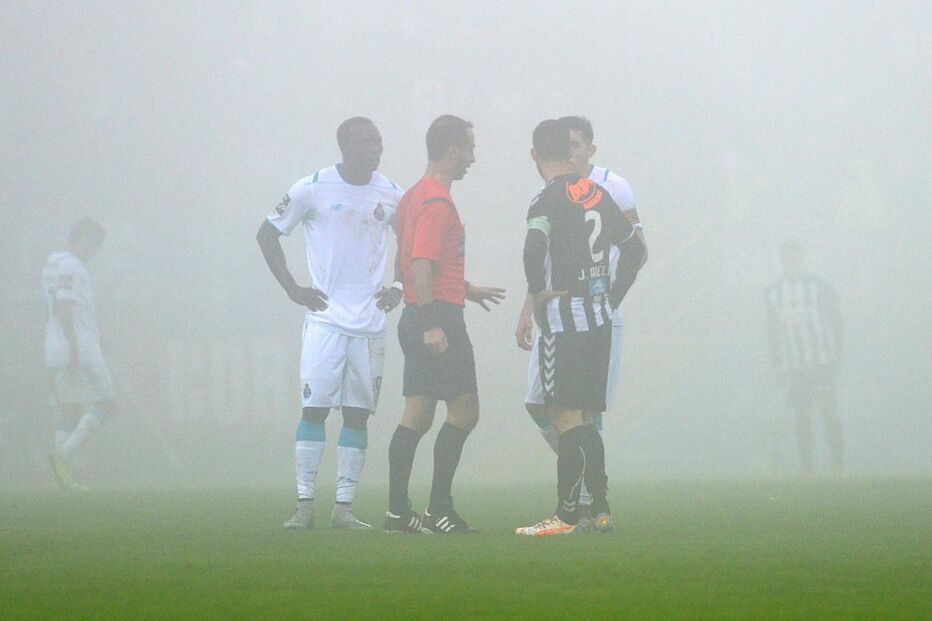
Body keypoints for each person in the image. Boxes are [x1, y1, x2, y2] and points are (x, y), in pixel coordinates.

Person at [257, 117, 404, 529]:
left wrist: (399, 284)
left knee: (357, 415)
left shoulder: (392, 193)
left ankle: (344, 508)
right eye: (366, 142)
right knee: (315, 409)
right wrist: (293, 289)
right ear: (344, 146)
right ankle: (304, 505)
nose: (376, 149)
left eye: (379, 141)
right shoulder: (311, 187)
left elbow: (412, 241)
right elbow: (266, 235)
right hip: (325, 320)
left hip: (371, 323)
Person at [514, 116, 647, 529]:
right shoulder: (595, 192)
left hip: (565, 321)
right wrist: (608, 298)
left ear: (537, 154)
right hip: (598, 318)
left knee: (564, 414)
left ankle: (567, 513)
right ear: (568, 151)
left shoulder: (545, 199)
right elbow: (633, 250)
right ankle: (601, 506)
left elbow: (533, 251)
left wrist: (537, 295)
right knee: (585, 415)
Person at [385, 115, 505, 534]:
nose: (472, 157)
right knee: (465, 410)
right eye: (469, 148)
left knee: (416, 415)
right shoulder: (437, 201)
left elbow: (419, 261)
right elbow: (420, 263)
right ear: (452, 149)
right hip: (436, 318)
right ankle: (439, 509)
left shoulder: (413, 196)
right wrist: (434, 322)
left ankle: (398, 512)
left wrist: (464, 287)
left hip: (417, 314)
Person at [43, 218, 113, 491]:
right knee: (107, 402)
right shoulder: (73, 264)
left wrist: (96, 335)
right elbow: (64, 305)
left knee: (70, 410)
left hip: (56, 346)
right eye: (93, 246)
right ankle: (63, 456)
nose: (93, 252)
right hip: (78, 349)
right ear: (82, 240)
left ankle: (63, 479)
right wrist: (75, 346)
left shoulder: (52, 261)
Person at [765, 241, 844, 476]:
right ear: (782, 261)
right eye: (786, 257)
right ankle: (807, 469)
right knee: (802, 416)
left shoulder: (820, 287)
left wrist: (838, 354)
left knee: (828, 411)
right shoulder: (773, 292)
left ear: (803, 259)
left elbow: (836, 320)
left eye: (795, 257)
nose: (791, 262)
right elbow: (772, 331)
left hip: (822, 361)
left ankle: (837, 465)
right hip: (795, 366)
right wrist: (778, 365)